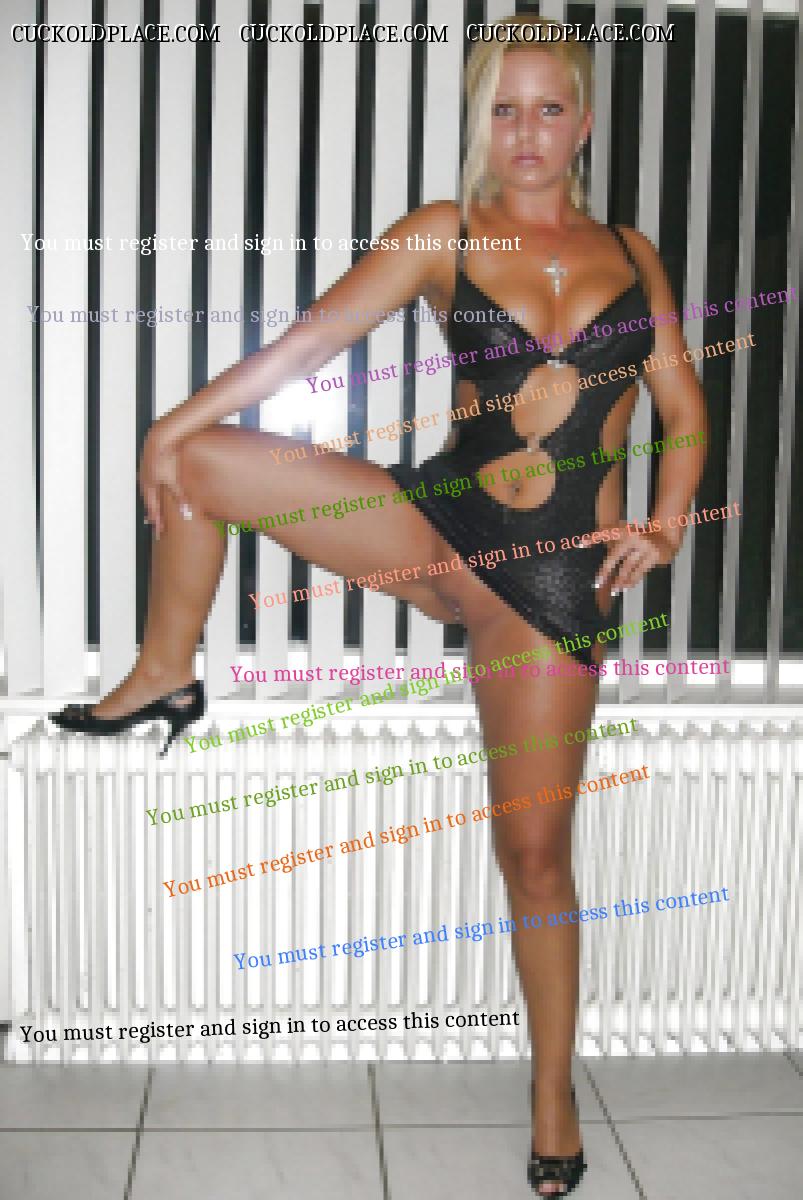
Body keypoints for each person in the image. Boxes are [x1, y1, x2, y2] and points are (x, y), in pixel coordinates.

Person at [51, 14, 706, 1195]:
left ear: (582, 121)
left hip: (551, 586)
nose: (524, 131)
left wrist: (662, 522)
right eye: (501, 108)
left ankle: (552, 1094)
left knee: (533, 856)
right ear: (478, 121)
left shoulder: (630, 251)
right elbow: (310, 345)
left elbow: (681, 406)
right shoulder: (439, 233)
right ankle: (166, 670)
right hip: (439, 529)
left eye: (546, 107)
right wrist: (170, 422)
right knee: (199, 462)